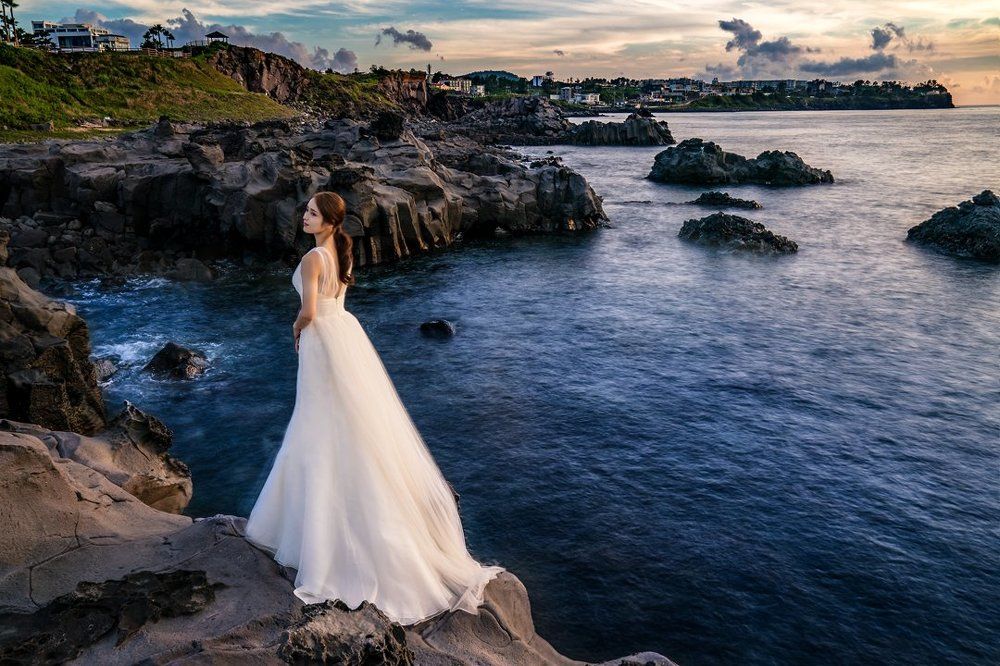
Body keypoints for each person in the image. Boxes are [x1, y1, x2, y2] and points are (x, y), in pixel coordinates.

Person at [244, 191, 504, 625]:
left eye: (312, 213)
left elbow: (309, 312)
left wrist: (294, 329)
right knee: (345, 426)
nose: (304, 216)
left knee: (316, 424)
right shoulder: (339, 254)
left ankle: (315, 537)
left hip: (322, 340)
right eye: (306, 210)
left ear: (329, 221)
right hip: (344, 336)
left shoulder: (312, 259)